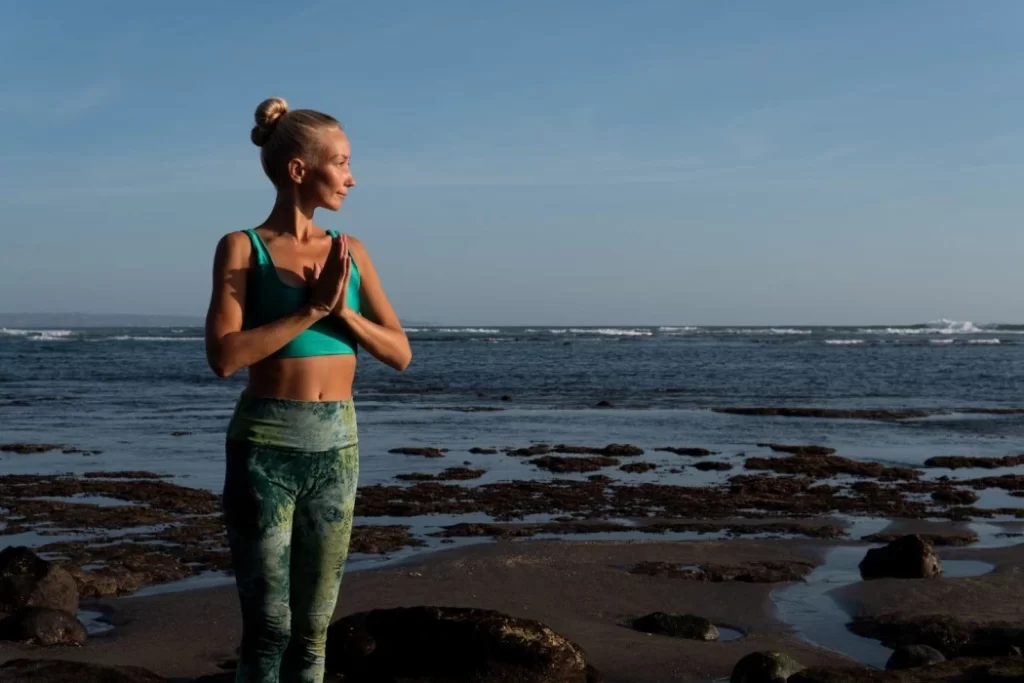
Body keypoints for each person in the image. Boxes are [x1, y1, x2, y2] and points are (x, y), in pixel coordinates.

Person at [204, 96, 412, 683]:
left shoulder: (352, 252)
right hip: (265, 447)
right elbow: (224, 357)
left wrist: (343, 316)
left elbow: (399, 353)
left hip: (337, 447)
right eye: (341, 162)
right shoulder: (242, 247)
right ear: (300, 170)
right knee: (270, 627)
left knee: (314, 633)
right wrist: (313, 308)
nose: (352, 176)